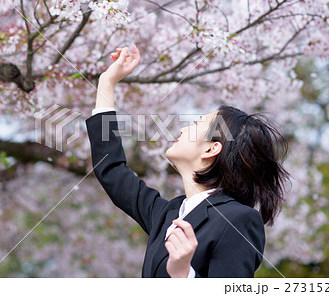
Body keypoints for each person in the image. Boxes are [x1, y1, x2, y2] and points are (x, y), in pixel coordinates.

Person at [85, 45, 290, 278]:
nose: (183, 128)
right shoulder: (169, 213)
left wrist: (185, 276)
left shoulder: (238, 220)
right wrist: (106, 83)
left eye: (196, 125)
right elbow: (111, 170)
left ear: (212, 148)